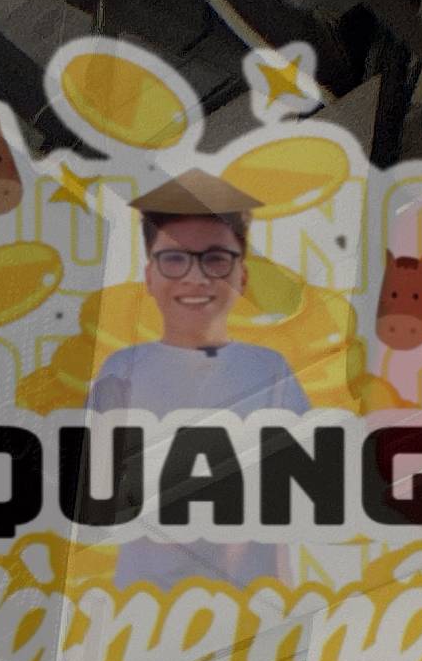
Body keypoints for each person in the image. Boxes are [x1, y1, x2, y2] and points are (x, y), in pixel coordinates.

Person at [88, 171, 307, 591]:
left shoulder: (271, 371)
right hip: (145, 600)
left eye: (216, 259)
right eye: (174, 259)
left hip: (251, 597)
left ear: (242, 276)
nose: (195, 277)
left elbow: (295, 496)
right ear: (149, 276)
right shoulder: (122, 371)